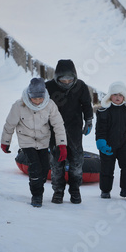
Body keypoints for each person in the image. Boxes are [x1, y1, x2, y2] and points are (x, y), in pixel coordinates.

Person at [1, 78, 67, 208]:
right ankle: (37, 195)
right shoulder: (19, 106)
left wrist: (62, 145)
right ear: (29, 95)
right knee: (35, 167)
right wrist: (5, 141)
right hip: (26, 141)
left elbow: (58, 125)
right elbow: (10, 124)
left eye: (40, 98)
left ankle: (37, 184)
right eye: (34, 98)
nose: (37, 101)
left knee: (44, 168)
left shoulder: (50, 105)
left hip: (43, 141)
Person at [46, 60, 93, 204]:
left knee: (76, 162)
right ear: (57, 77)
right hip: (54, 131)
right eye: (63, 79)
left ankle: (75, 190)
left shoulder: (80, 86)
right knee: (56, 163)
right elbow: (42, 107)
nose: (66, 82)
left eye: (70, 79)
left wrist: (89, 120)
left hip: (74, 129)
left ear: (74, 77)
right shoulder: (48, 87)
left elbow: (86, 104)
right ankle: (58, 191)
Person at [95, 81, 126, 200]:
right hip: (107, 144)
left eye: (120, 95)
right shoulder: (104, 111)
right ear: (110, 96)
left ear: (124, 97)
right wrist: (101, 144)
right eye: (115, 94)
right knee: (107, 168)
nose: (117, 97)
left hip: (122, 144)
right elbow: (100, 130)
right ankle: (105, 190)